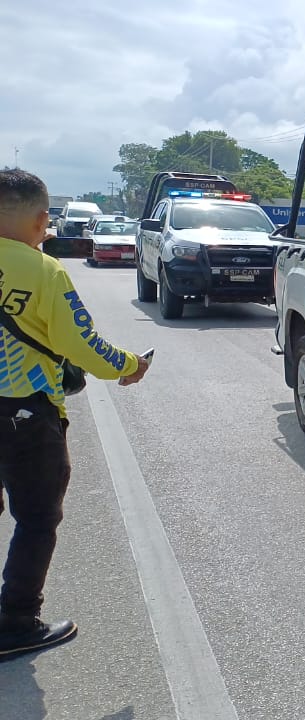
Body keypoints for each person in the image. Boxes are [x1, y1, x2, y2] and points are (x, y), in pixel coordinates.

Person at [0, 169, 150, 660]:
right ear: (42, 218)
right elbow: (79, 343)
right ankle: (17, 621)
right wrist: (129, 366)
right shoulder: (43, 271)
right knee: (37, 517)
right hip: (24, 412)